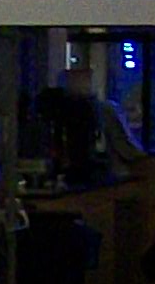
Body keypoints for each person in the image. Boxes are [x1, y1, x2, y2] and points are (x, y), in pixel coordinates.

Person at [33, 56, 144, 191]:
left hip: (96, 176)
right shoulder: (101, 111)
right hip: (102, 177)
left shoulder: (94, 113)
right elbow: (126, 147)